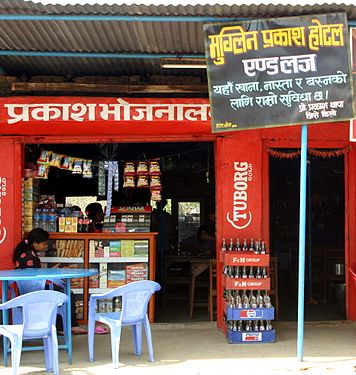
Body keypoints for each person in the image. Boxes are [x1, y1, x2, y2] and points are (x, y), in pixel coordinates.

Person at [12, 228, 88, 335]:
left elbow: (35, 275)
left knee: (62, 290)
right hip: (33, 293)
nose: (46, 246)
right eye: (44, 244)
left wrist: (51, 270)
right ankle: (67, 326)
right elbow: (35, 278)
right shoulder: (30, 258)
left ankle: (61, 325)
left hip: (26, 292)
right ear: (34, 244)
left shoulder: (27, 254)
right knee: (67, 294)